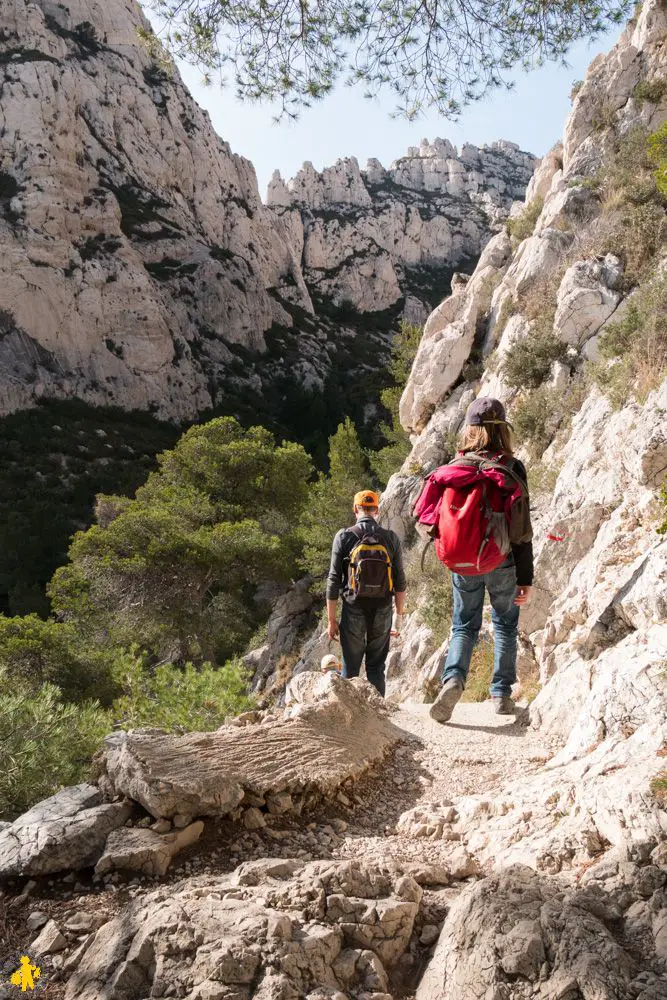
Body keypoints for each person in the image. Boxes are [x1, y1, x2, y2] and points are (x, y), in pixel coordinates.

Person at [429, 397, 533, 722]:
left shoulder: (455, 467)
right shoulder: (511, 468)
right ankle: (501, 694)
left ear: (470, 430)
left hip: (463, 560)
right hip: (501, 558)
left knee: (463, 624)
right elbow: (521, 529)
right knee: (504, 624)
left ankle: (453, 680)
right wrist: (525, 577)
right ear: (502, 429)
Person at [326, 490, 407, 696]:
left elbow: (333, 580)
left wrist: (331, 619)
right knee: (376, 668)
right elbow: (400, 581)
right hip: (382, 608)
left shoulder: (344, 536)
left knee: (351, 669)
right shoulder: (390, 538)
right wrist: (399, 615)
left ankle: (349, 718)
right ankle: (379, 715)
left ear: (355, 509)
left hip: (353, 607)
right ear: (376, 510)